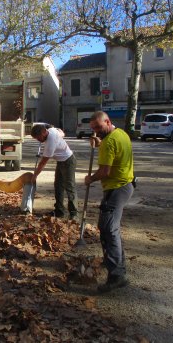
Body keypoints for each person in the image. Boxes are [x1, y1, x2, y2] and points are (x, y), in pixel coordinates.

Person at [84, 111, 134, 293]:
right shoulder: (120, 134)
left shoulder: (109, 142)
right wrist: (100, 144)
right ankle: (115, 263)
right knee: (109, 227)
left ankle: (116, 275)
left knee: (108, 228)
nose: (96, 131)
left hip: (116, 188)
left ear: (108, 121)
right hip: (126, 185)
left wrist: (90, 179)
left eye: (98, 127)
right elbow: (114, 151)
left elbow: (105, 171)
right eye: (93, 129)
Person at [31, 123, 78, 219]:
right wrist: (60, 134)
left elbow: (43, 163)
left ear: (44, 132)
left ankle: (74, 214)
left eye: (39, 137)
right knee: (58, 186)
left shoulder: (50, 143)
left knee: (70, 187)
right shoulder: (52, 130)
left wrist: (34, 176)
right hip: (61, 162)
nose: (38, 140)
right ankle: (59, 211)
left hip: (68, 161)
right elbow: (61, 133)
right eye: (36, 138)